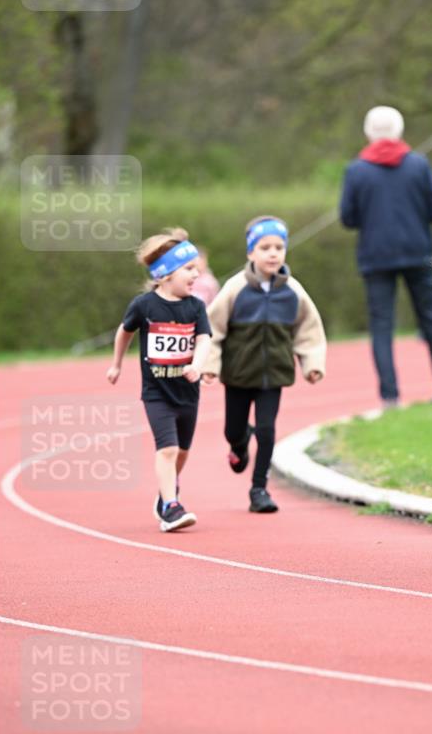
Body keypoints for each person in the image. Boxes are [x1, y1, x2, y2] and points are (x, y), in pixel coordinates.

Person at [202, 215, 326, 513]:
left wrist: (311, 363)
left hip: (274, 374)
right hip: (238, 374)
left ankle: (259, 489)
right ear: (250, 253)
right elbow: (213, 328)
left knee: (268, 429)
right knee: (233, 430)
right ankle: (239, 442)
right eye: (265, 247)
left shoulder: (293, 290)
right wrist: (210, 365)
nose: (273, 253)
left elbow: (308, 329)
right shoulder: (235, 288)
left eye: (279, 247)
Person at [339, 105, 432, 406]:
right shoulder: (418, 165)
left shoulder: (356, 170)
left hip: (376, 256)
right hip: (417, 252)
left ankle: (390, 396)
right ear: (399, 131)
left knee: (381, 326)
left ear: (368, 133)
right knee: (431, 320)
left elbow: (348, 218)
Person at [107, 227, 211, 531]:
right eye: (189, 269)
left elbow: (204, 339)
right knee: (166, 450)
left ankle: (167, 493)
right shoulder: (144, 305)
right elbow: (124, 332)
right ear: (165, 274)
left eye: (197, 269)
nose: (197, 275)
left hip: (188, 392)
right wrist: (116, 365)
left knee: (182, 453)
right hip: (156, 393)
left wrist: (197, 364)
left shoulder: (196, 307)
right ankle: (170, 507)